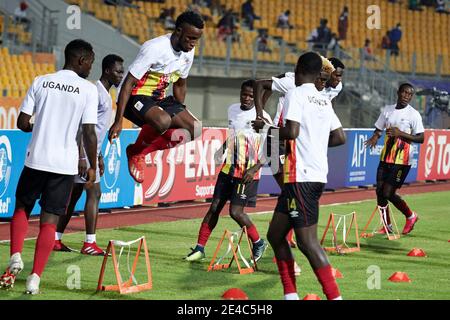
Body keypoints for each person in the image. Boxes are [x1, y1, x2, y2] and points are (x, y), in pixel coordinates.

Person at [0, 39, 99, 294]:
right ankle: (35, 278)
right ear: (80, 60)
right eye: (90, 62)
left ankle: (16, 256)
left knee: (22, 207)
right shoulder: (87, 90)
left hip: (36, 159)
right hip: (64, 166)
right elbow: (88, 132)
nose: (90, 67)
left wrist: (41, 127)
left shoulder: (41, 81)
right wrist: (91, 166)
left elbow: (23, 123)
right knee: (49, 221)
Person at [260, 52, 346, 300]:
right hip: (311, 175)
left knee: (308, 242)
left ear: (298, 69)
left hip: (301, 176)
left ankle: (335, 297)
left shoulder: (295, 94)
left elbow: (292, 131)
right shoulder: (323, 100)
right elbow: (340, 137)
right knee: (276, 235)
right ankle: (290, 296)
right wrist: (316, 142)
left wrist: (267, 130)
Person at [108, 11, 204, 184]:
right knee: (163, 121)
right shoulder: (154, 48)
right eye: (190, 38)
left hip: (159, 98)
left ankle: (139, 152)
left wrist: (179, 112)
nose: (192, 44)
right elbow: (128, 83)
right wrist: (118, 120)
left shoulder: (189, 51)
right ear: (178, 31)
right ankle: (137, 152)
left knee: (194, 129)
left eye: (196, 40)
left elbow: (180, 84)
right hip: (135, 96)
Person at [185, 80, 271, 263]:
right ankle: (200, 248)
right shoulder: (232, 109)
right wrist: (223, 147)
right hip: (228, 167)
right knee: (214, 207)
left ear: (256, 96)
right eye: (244, 94)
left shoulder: (263, 117)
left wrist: (255, 168)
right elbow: (234, 134)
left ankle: (258, 242)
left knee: (235, 212)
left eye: (250, 95)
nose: (247, 98)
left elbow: (272, 149)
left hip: (247, 172)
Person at [53, 54, 125, 255]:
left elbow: (97, 131)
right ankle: (89, 243)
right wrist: (83, 157)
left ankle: (55, 238)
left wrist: (98, 155)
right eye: (118, 71)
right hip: (82, 154)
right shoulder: (96, 92)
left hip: (89, 153)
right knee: (95, 193)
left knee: (74, 195)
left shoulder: (103, 93)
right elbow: (83, 127)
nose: (122, 75)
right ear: (107, 71)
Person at [365, 83, 424, 235]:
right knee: (379, 192)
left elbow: (421, 138)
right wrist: (374, 137)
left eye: (410, 94)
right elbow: (379, 128)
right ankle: (386, 226)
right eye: (404, 92)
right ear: (398, 93)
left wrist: (400, 134)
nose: (406, 96)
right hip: (386, 157)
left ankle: (411, 216)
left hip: (402, 160)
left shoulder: (413, 114)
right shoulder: (387, 110)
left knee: (388, 193)